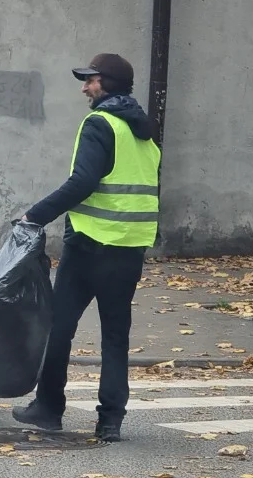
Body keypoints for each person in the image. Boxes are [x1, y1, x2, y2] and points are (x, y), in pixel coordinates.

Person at [11, 53, 161, 442]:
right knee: (115, 334)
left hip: (91, 243)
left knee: (58, 327)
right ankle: (110, 421)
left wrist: (34, 216)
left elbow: (83, 183)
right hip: (129, 248)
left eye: (90, 80)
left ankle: (48, 408)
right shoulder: (144, 131)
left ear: (107, 84)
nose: (84, 87)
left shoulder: (99, 124)